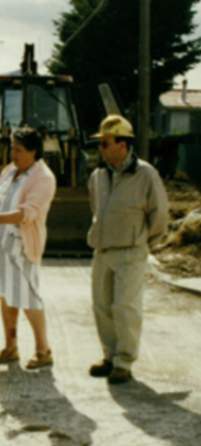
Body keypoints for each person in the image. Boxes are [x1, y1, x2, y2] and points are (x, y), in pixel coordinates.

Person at [87, 114, 168, 384]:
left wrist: (144, 241)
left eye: (105, 143)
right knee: (102, 306)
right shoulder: (98, 176)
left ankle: (124, 361)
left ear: (123, 145)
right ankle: (109, 356)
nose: (100, 149)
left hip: (130, 252)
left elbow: (159, 213)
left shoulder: (145, 174)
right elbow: (96, 208)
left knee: (125, 307)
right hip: (103, 251)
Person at [0, 126, 56, 369]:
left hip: (21, 245)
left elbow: (30, 212)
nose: (14, 154)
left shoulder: (43, 177)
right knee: (6, 294)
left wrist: (0, 217)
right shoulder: (10, 171)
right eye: (12, 148)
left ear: (33, 152)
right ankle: (10, 347)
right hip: (0, 243)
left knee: (28, 296)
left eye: (19, 150)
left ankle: (43, 350)